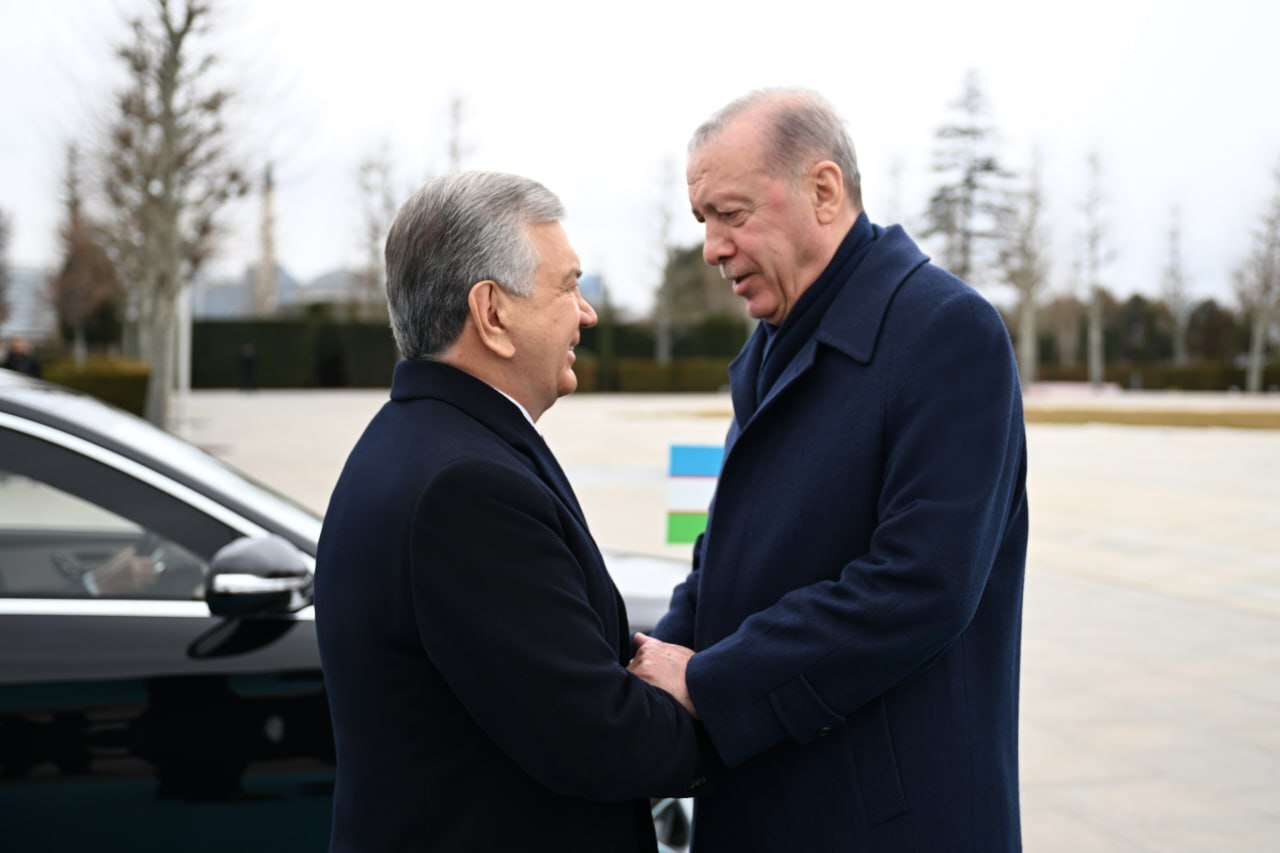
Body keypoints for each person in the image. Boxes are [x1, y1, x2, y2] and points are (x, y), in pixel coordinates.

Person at [628, 89, 1028, 851]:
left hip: (886, 824)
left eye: (731, 214)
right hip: (769, 799)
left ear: (823, 190)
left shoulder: (948, 331)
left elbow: (920, 585)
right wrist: (645, 671)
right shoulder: (771, 346)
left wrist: (710, 681)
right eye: (703, 219)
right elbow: (726, 560)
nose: (712, 247)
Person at [314, 171, 708, 852]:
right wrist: (730, 702)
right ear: (492, 313)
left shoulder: (417, 440)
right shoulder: (465, 488)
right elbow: (599, 740)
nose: (587, 313)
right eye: (567, 287)